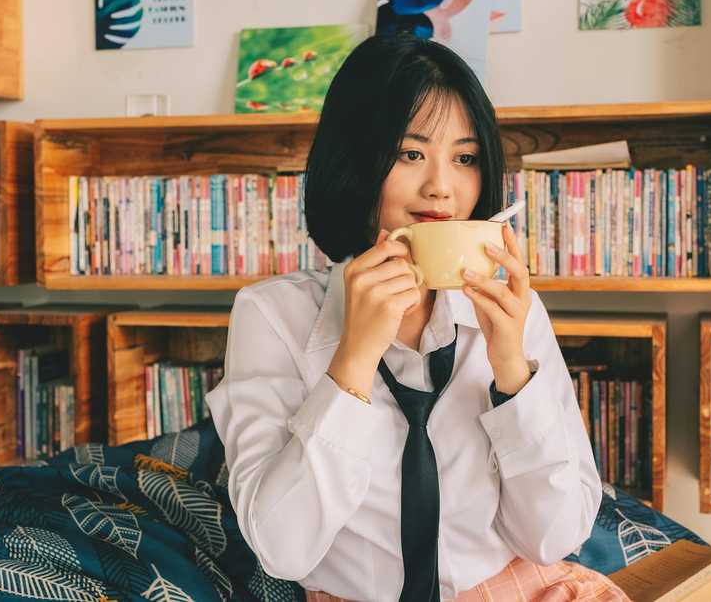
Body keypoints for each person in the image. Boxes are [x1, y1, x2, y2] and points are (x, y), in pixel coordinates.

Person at [205, 34, 626, 602]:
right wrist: (351, 363)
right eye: (411, 153)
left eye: (465, 158)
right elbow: (282, 549)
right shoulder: (271, 314)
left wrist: (513, 379)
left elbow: (553, 535)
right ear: (356, 158)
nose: (441, 188)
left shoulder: (512, 312)